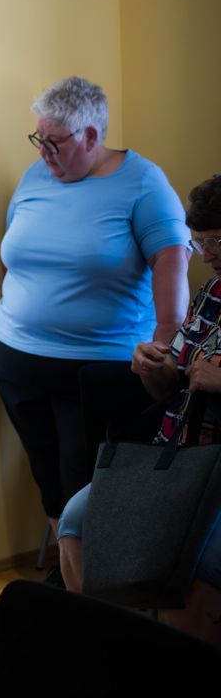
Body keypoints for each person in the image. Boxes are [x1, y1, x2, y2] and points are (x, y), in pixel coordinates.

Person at [0, 76, 190, 575]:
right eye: (40, 140)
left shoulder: (144, 184)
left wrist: (163, 346)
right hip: (18, 354)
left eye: (55, 144)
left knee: (83, 480)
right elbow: (14, 252)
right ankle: (68, 577)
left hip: (99, 366)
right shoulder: (35, 178)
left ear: (92, 137)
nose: (45, 155)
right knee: (47, 475)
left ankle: (88, 587)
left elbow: (172, 262)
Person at [57, 174, 221, 594]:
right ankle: (107, 643)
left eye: (218, 242)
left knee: (198, 562)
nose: (208, 256)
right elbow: (170, 388)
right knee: (75, 523)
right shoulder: (211, 293)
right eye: (200, 243)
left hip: (212, 470)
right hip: (173, 456)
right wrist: (153, 368)